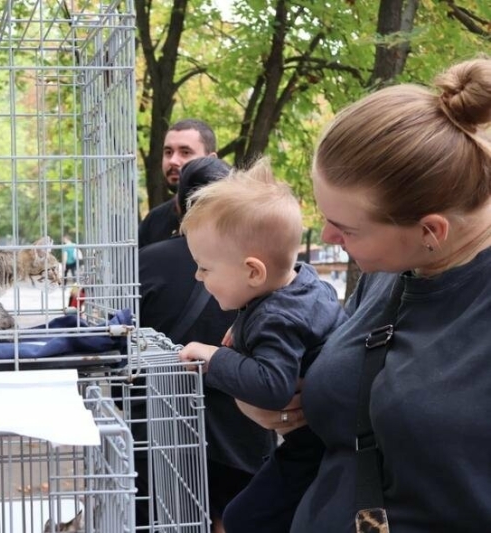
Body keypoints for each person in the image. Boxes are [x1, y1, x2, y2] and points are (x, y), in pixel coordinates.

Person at [234, 58, 491, 532]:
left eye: (347, 228)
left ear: (431, 230)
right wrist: (284, 400)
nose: (329, 236)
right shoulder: (392, 267)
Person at [177, 159, 347, 532]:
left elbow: (272, 386)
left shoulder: (277, 319)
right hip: (323, 435)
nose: (197, 275)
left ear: (253, 271)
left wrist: (215, 357)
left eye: (205, 268)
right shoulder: (302, 282)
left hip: (312, 445)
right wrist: (241, 328)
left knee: (244, 517)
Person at [137, 157, 276, 533]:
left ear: (179, 208)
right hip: (243, 434)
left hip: (163, 433)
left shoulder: (146, 263)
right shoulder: (265, 264)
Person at [138, 119, 218, 248]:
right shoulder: (154, 220)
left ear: (211, 159)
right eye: (168, 152)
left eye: (185, 152)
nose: (173, 161)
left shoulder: (235, 216)